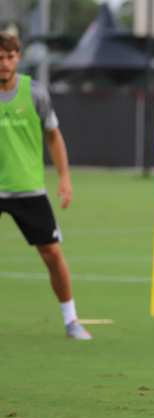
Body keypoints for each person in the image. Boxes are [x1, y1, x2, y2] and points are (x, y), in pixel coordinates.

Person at [0, 32, 91, 340]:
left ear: (18, 58)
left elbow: (53, 135)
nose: (4, 63)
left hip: (29, 189)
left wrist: (64, 177)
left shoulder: (35, 93)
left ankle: (71, 320)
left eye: (10, 57)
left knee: (52, 254)